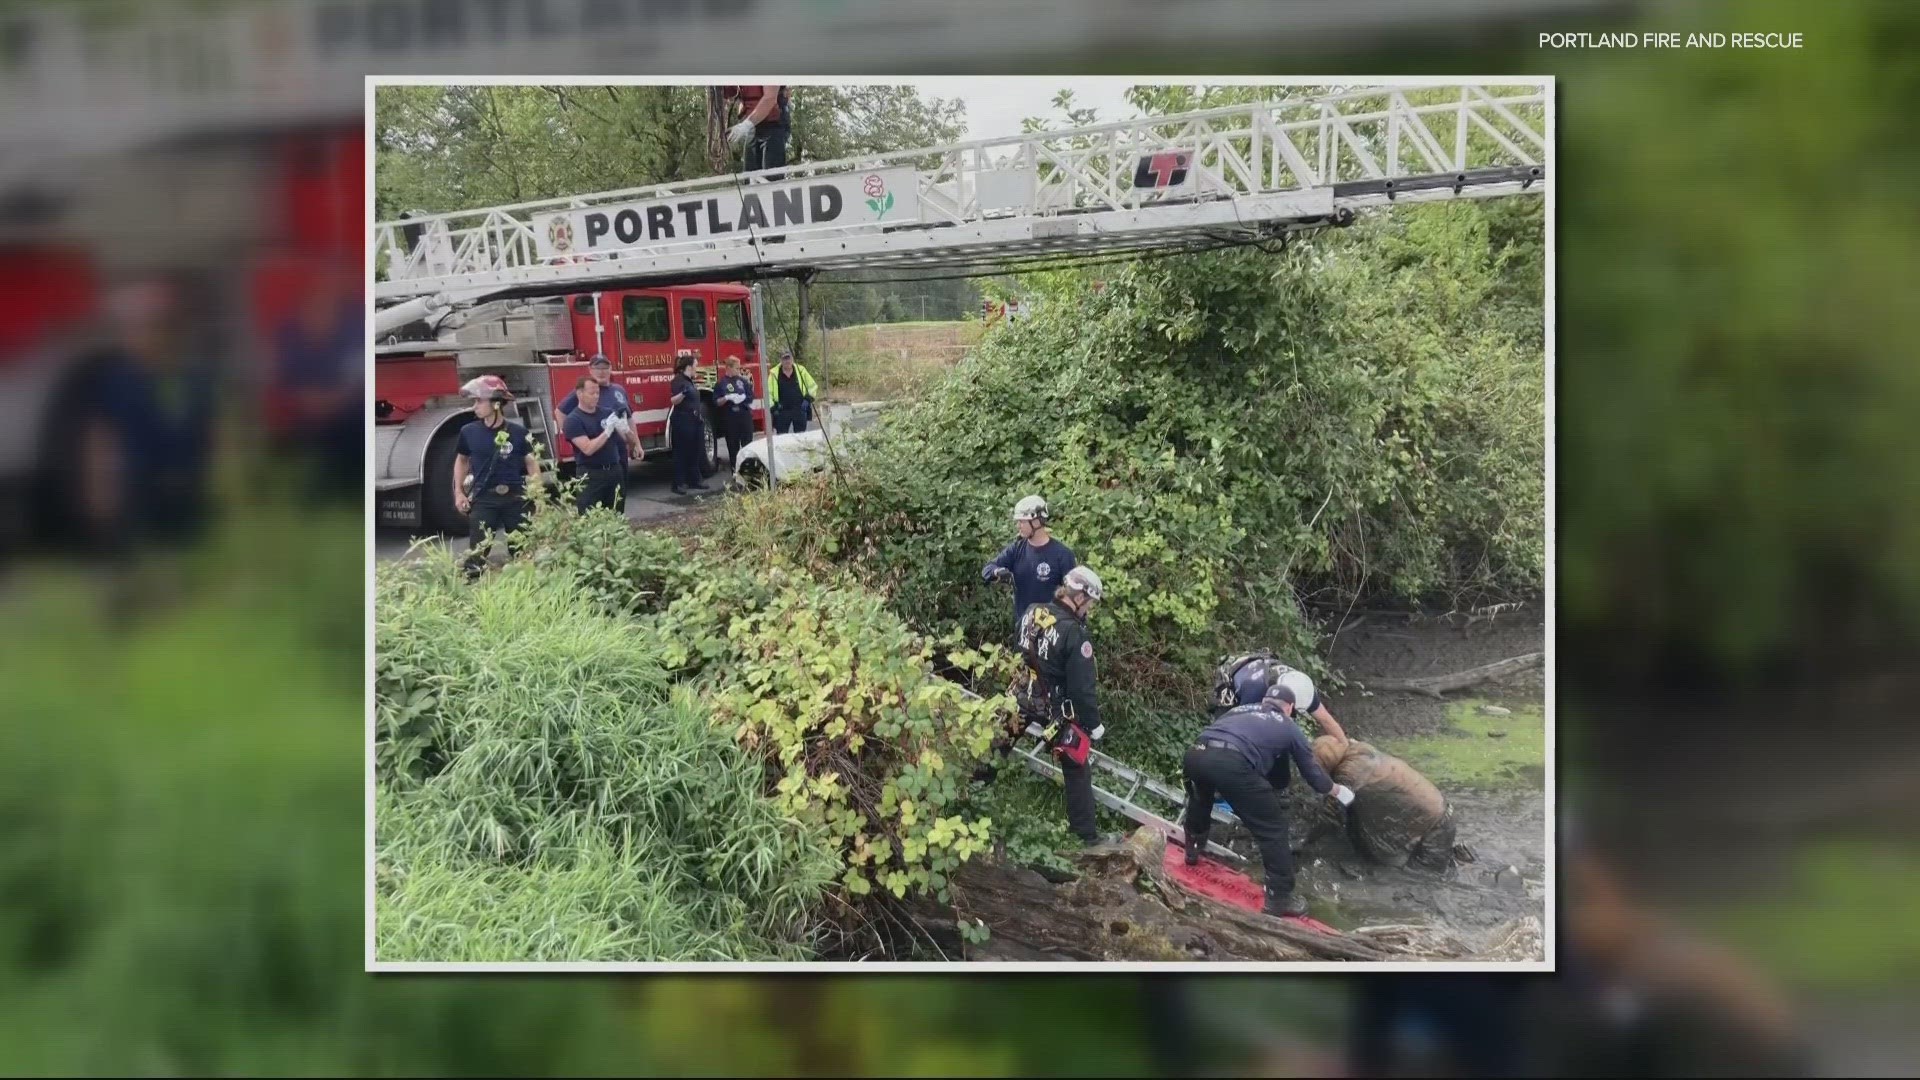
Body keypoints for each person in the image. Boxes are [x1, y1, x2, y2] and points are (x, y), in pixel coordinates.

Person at [1181, 656, 1356, 917]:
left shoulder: (1241, 709)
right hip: (1231, 763)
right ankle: (1280, 898)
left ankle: (1192, 852)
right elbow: (1314, 777)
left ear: (1265, 700)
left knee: (1201, 801)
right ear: (1290, 708)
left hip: (1196, 753)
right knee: (1273, 829)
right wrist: (1339, 792)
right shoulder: (1288, 726)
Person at [1012, 565, 1109, 845]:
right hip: (1053, 708)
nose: (1088, 609)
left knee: (997, 745)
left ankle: (974, 790)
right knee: (1077, 767)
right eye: (1089, 603)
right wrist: (1093, 725)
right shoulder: (1073, 634)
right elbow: (1082, 689)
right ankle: (1086, 837)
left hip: (1019, 694)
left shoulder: (1033, 611)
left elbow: (1017, 649)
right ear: (1079, 597)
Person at [1307, 709, 1464, 871]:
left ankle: (1461, 861)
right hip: (1436, 813)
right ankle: (1457, 857)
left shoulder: (1350, 773)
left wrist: (1305, 843)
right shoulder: (1358, 749)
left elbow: (1331, 814)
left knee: (1422, 877)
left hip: (1436, 824)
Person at [452, 374, 542, 579]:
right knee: (476, 556)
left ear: (496, 404)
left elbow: (531, 462)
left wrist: (537, 494)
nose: (474, 406)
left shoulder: (518, 432)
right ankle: (474, 593)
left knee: (523, 552)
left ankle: (526, 592)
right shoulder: (468, 431)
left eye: (479, 401)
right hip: (484, 499)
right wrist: (459, 493)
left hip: (515, 499)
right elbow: (462, 461)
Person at [981, 495, 1077, 636]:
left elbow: (1073, 597)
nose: (1018, 526)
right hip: (1024, 630)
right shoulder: (1016, 549)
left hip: (1053, 633)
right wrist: (997, 572)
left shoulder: (1062, 554)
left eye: (1022, 521)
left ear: (1037, 522)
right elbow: (987, 569)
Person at [560, 377, 629, 514]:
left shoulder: (607, 412)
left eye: (598, 393)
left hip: (614, 471)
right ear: (580, 394)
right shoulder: (573, 420)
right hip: (591, 474)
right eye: (592, 393)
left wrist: (625, 428)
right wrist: (607, 431)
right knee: (590, 516)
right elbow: (588, 449)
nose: (596, 397)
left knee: (617, 514)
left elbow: (626, 439)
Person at [722, 84, 790, 178]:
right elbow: (729, 92)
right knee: (750, 178)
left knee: (771, 178)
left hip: (773, 125)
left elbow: (770, 98)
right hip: (752, 128)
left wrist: (745, 125)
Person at [667, 353, 709, 495]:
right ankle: (678, 484)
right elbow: (674, 400)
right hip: (682, 421)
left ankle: (694, 480)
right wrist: (683, 393)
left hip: (694, 421)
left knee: (694, 451)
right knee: (681, 453)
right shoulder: (678, 381)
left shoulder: (689, 380)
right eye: (696, 366)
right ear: (689, 367)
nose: (697, 368)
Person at [711, 356, 755, 467]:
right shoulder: (721, 383)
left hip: (744, 417)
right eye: (736, 368)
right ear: (729, 368)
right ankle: (735, 473)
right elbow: (716, 402)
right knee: (732, 448)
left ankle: (748, 471)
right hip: (730, 419)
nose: (739, 370)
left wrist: (743, 397)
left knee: (748, 446)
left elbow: (751, 396)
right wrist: (727, 398)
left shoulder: (743, 381)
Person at [767, 351, 816, 434]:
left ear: (792, 359)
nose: (787, 361)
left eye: (788, 358)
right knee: (781, 438)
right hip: (782, 411)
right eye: (784, 359)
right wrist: (773, 407)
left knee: (801, 437)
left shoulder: (801, 370)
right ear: (781, 360)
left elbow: (812, 386)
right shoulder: (774, 373)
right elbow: (768, 392)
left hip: (800, 409)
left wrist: (808, 399)